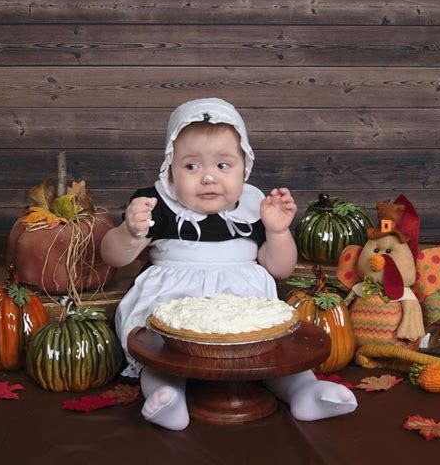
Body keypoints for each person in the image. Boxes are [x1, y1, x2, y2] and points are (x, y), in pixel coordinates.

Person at [101, 98, 357, 430]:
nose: (208, 178)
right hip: (173, 303)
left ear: (244, 167)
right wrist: (130, 231)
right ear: (170, 169)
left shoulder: (254, 204)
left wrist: (278, 231)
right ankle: (167, 397)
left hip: (244, 305)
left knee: (273, 358)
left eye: (223, 166)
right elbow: (113, 256)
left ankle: (305, 392)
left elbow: (279, 269)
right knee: (163, 358)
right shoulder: (156, 204)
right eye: (191, 166)